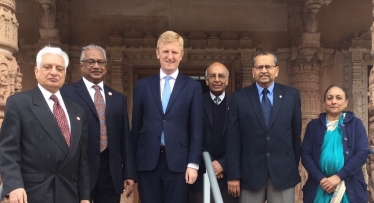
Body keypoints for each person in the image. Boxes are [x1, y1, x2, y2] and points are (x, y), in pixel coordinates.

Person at [0, 46, 90, 203]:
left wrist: (84, 197)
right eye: (48, 67)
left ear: (64, 74)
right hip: (33, 193)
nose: (54, 72)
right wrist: (14, 185)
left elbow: (81, 160)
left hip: (69, 193)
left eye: (59, 68)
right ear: (36, 71)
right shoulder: (19, 103)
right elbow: (8, 151)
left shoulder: (77, 111)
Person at [131, 30, 203, 203]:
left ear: (181, 55)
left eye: (174, 52)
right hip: (148, 161)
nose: (170, 56)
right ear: (157, 53)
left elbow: (196, 128)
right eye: (165, 51)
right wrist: (131, 168)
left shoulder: (193, 87)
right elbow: (136, 126)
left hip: (179, 162)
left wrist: (193, 164)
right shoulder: (143, 85)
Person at [60, 44, 136, 203]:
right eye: (90, 62)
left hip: (110, 171)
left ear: (106, 66)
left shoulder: (117, 98)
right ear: (81, 65)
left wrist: (129, 173)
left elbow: (125, 139)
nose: (96, 66)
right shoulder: (66, 93)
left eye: (101, 62)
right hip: (78, 169)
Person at [225, 50, 302, 203]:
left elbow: (295, 135)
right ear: (253, 71)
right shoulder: (239, 98)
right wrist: (233, 175)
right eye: (259, 67)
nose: (264, 71)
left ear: (277, 70)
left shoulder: (291, 95)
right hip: (249, 174)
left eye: (268, 66)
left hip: (283, 173)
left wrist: (290, 166)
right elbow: (232, 140)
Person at [301, 85, 368, 203]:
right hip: (319, 186)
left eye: (338, 98)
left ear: (346, 102)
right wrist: (322, 180)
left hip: (349, 186)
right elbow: (305, 155)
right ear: (324, 103)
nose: (334, 101)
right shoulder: (313, 126)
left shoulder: (356, 124)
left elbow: (362, 152)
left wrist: (338, 177)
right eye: (330, 98)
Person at [189, 62, 238, 203]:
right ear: (206, 80)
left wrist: (223, 163)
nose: (217, 79)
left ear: (227, 80)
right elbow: (190, 135)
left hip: (229, 176)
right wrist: (209, 163)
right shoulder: (195, 103)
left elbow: (241, 140)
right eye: (212, 76)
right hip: (200, 175)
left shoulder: (237, 104)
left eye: (221, 76)